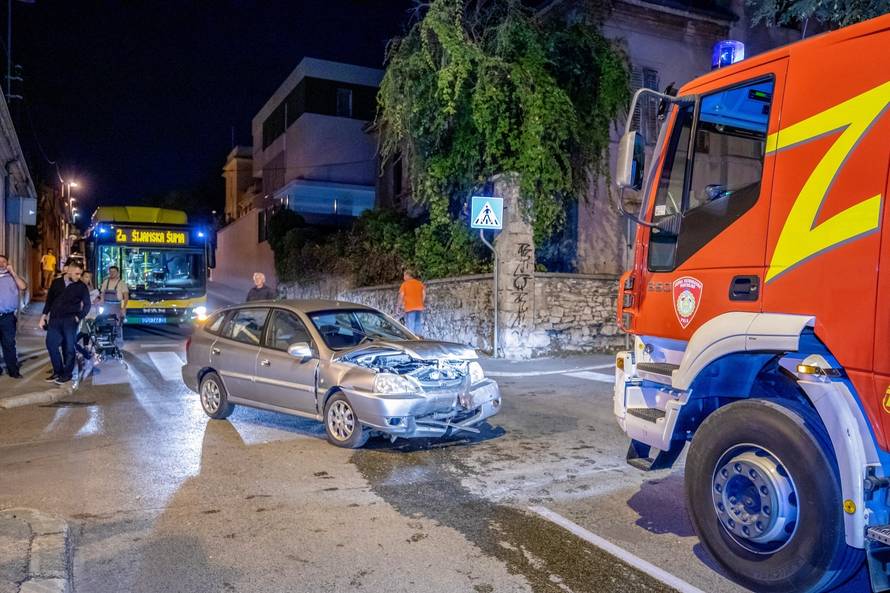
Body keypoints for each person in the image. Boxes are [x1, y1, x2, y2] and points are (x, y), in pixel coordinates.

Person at [41, 260, 91, 385]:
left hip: (70, 320)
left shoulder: (81, 286)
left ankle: (67, 374)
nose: (79, 277)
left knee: (69, 347)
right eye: (77, 274)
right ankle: (57, 371)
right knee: (51, 345)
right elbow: (49, 301)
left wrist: (78, 317)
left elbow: (87, 304)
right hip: (55, 319)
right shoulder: (56, 283)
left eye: (80, 274)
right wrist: (43, 316)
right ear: (69, 270)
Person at [0, 255, 27, 379]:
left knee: (9, 344)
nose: (1, 264)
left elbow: (23, 287)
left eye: (4, 262)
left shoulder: (12, 278)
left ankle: (13, 370)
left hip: (7, 317)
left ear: (8, 264)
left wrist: (13, 272)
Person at [398, 269, 426, 336]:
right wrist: (420, 302)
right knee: (417, 322)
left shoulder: (404, 284)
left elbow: (401, 295)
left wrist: (399, 306)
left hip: (409, 307)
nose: (403, 277)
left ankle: (411, 339)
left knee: (410, 324)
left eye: (404, 275)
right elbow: (424, 294)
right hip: (419, 307)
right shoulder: (419, 283)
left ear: (408, 275)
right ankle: (418, 337)